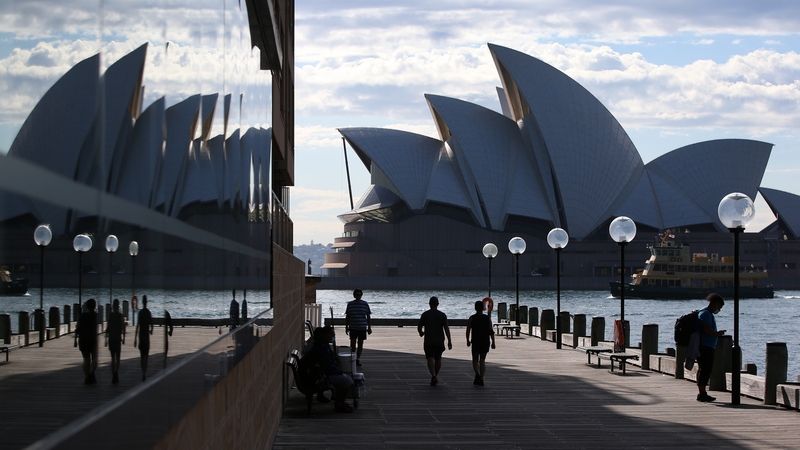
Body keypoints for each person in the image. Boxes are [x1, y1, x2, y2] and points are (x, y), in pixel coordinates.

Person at [311, 326, 355, 413]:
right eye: (331, 335)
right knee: (347, 381)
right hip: (321, 376)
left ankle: (339, 400)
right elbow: (328, 365)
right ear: (325, 335)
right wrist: (340, 373)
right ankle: (340, 403)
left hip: (322, 373)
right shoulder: (322, 347)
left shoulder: (322, 344)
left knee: (346, 378)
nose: (333, 337)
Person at [696, 293, 726, 402]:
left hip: (706, 346)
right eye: (719, 307)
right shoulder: (706, 314)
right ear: (715, 304)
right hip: (705, 347)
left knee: (704, 369)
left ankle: (702, 392)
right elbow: (706, 330)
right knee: (705, 369)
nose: (719, 309)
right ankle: (702, 393)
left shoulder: (704, 313)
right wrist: (718, 334)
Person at [417, 296, 452, 386]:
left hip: (429, 340)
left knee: (430, 358)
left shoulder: (425, 314)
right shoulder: (442, 315)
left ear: (429, 304)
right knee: (438, 358)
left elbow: (419, 326)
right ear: (438, 304)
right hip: (439, 340)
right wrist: (449, 341)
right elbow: (446, 329)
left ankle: (433, 375)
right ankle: (435, 375)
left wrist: (421, 332)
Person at [466, 300, 495, 386]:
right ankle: (481, 378)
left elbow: (468, 330)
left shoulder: (472, 318)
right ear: (483, 308)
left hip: (475, 342)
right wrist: (493, 342)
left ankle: (477, 374)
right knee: (482, 360)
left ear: (475, 308)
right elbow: (491, 331)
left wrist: (467, 340)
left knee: (475, 359)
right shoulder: (487, 318)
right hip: (485, 342)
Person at [74, 299, 99, 384]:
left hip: (83, 340)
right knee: (95, 359)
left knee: (86, 359)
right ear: (94, 306)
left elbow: (77, 329)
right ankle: (92, 373)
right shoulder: (96, 316)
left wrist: (75, 340)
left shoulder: (81, 316)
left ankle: (87, 377)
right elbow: (97, 329)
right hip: (93, 340)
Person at [345, 289, 371, 366]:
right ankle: (353, 357)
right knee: (352, 343)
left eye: (359, 295)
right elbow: (348, 316)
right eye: (357, 295)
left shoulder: (365, 304)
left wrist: (369, 327)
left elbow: (368, 316)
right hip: (353, 326)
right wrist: (346, 327)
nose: (358, 296)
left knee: (360, 343)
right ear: (354, 295)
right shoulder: (350, 304)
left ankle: (358, 359)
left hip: (362, 327)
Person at [105, 299, 125, 384]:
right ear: (119, 306)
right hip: (117, 338)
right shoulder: (121, 316)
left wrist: (106, 339)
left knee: (112, 358)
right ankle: (116, 372)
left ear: (113, 306)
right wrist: (124, 337)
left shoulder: (110, 315)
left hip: (111, 338)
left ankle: (113, 374)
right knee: (118, 357)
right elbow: (123, 327)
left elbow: (108, 327)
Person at [134, 295, 154, 381]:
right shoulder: (148, 312)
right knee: (146, 355)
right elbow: (152, 324)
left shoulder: (140, 313)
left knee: (142, 356)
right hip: (146, 336)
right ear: (147, 302)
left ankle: (142, 372)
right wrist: (151, 330)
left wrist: (135, 339)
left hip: (141, 336)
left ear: (142, 302)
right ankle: (144, 373)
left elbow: (137, 326)